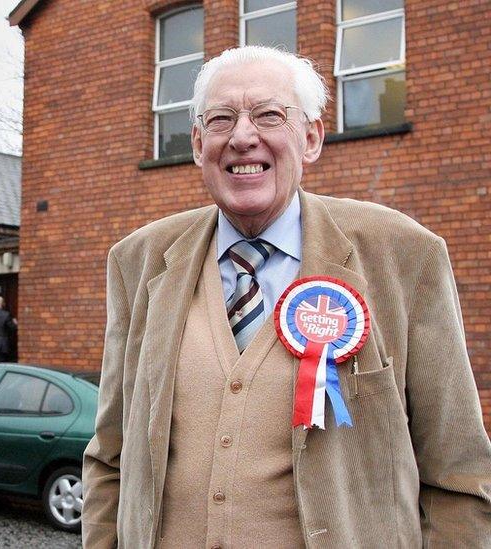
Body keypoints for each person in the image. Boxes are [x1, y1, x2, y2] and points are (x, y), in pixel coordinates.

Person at [82, 45, 491, 547]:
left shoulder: (404, 255)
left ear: (312, 137)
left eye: (269, 115)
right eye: (221, 119)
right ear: (196, 144)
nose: (242, 137)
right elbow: (109, 456)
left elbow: (459, 474)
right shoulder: (139, 260)